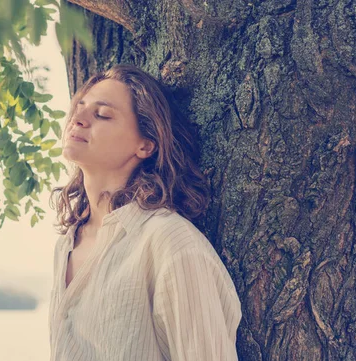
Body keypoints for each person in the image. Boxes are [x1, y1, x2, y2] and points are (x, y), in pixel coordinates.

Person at [48, 64, 241, 361]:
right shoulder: (67, 245)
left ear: (145, 145)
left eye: (102, 114)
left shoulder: (170, 242)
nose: (78, 119)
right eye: (80, 107)